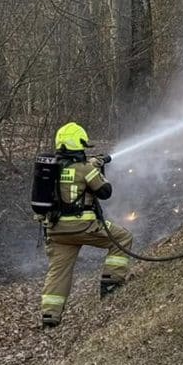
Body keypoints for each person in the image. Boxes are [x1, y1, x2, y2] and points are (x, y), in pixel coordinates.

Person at [40, 122, 133, 328]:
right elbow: (105, 192)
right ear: (78, 145)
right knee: (122, 237)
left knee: (58, 272)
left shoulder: (50, 169)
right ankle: (111, 284)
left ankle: (49, 318)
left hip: (56, 232)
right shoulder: (85, 169)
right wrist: (96, 168)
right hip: (84, 227)